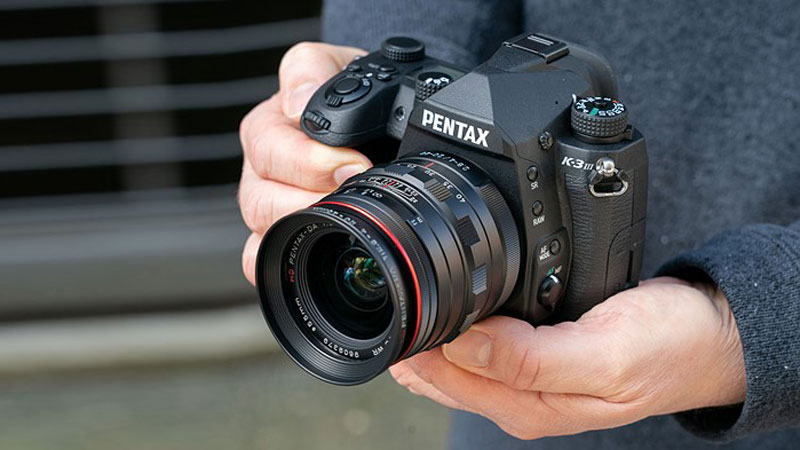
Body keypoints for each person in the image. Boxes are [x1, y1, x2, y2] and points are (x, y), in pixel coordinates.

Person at [238, 0, 800, 448]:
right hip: (499, 412)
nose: (366, 271)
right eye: (368, 273)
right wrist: (372, 64)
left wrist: (752, 325)